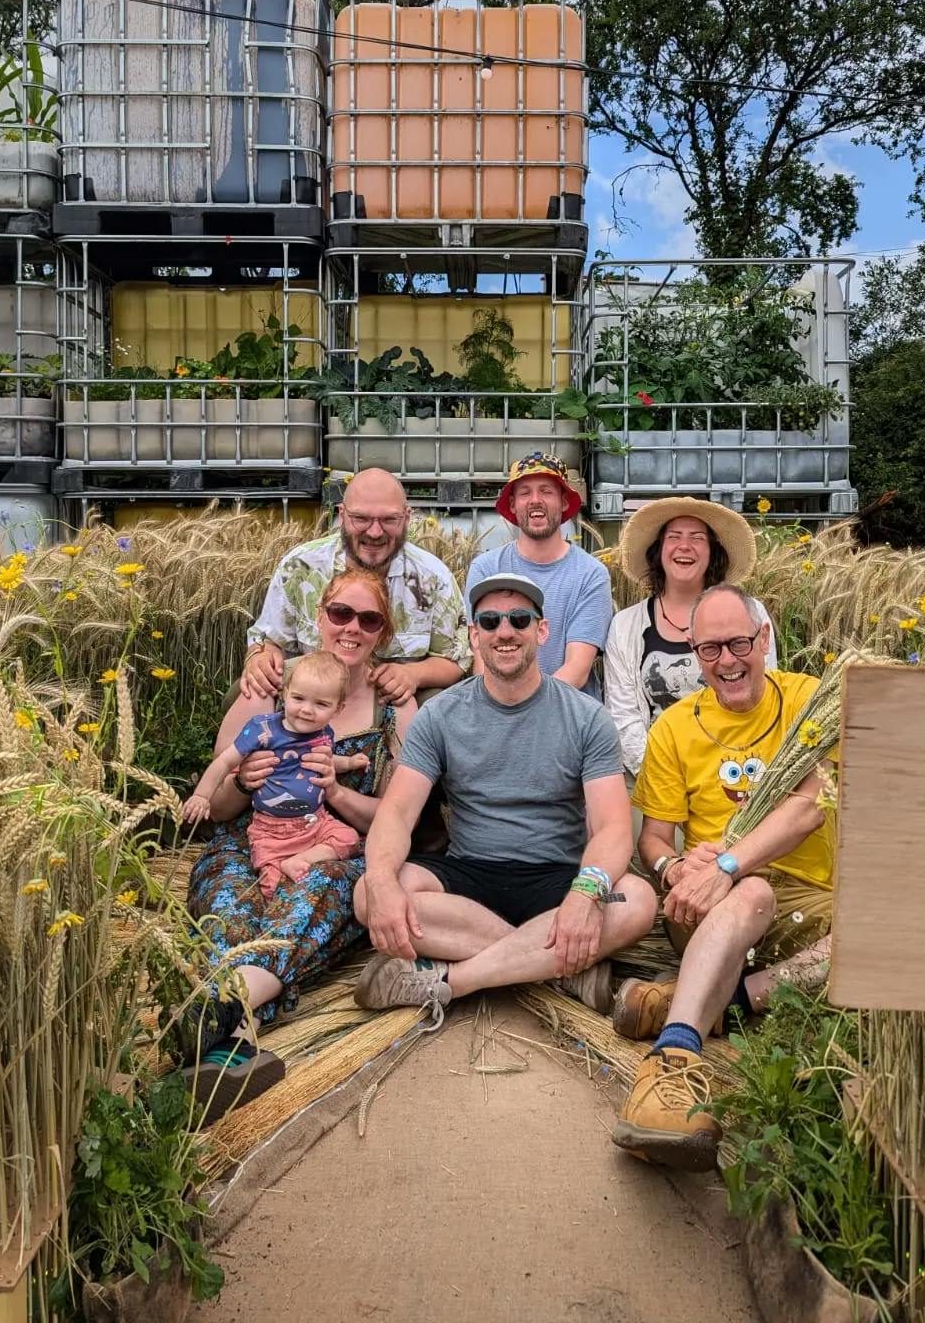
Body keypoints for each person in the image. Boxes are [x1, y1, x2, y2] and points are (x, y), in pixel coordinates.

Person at [350, 573, 656, 1020]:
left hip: (558, 879)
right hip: (469, 876)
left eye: (519, 619)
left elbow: (612, 827)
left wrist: (585, 894)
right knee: (367, 893)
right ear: (474, 636)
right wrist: (380, 879)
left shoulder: (587, 717)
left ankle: (453, 981)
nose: (505, 631)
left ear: (542, 630)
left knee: (637, 900)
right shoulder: (440, 715)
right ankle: (561, 969)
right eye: (490, 622)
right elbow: (397, 811)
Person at [610, 582, 835, 1171]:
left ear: (764, 638)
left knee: (888, 935)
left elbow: (810, 807)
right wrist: (675, 867)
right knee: (753, 892)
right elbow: (653, 840)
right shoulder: (674, 728)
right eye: (710, 649)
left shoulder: (810, 701)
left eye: (738, 643)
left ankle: (721, 999)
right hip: (710, 908)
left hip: (805, 902)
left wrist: (730, 861)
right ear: (694, 653)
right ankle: (672, 1058)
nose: (727, 661)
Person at [181, 569, 416, 1122]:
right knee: (230, 903)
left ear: (383, 633)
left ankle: (212, 1014)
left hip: (335, 850)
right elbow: (219, 808)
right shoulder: (266, 689)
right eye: (340, 613)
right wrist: (244, 783)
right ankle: (235, 1034)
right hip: (252, 841)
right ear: (319, 618)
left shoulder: (396, 707)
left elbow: (396, 817)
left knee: (317, 895)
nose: (352, 627)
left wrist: (335, 791)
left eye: (369, 619)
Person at [234, 468, 469, 737]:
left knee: (438, 702)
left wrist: (414, 674)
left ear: (406, 518)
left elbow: (456, 660)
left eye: (388, 519)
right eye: (361, 518)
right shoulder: (301, 566)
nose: (375, 532)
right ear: (342, 515)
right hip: (313, 696)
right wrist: (261, 656)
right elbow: (268, 638)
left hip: (395, 698)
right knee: (250, 689)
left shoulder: (433, 577)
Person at [604, 498, 778, 783]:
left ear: (712, 553)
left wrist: (720, 776)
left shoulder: (750, 612)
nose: (684, 546)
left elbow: (766, 690)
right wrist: (665, 779)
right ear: (659, 551)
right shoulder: (625, 626)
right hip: (655, 774)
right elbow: (623, 718)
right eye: (674, 537)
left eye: (697, 538)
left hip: (737, 771)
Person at [183, 650, 360, 898]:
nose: (307, 710)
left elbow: (325, 761)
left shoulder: (324, 733)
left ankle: (303, 859)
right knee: (271, 886)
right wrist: (202, 795)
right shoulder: (263, 730)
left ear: (338, 709)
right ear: (285, 693)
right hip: (270, 830)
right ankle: (283, 880)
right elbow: (225, 761)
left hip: (315, 822)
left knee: (349, 838)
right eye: (298, 698)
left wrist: (349, 762)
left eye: (321, 704)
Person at [465, 453, 612, 698]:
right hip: (498, 707)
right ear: (513, 505)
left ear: (563, 502)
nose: (535, 500)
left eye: (546, 491)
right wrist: (501, 710)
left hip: (567, 709)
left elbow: (576, 670)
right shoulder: (485, 569)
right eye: (525, 493)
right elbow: (483, 663)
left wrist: (527, 709)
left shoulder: (590, 575)